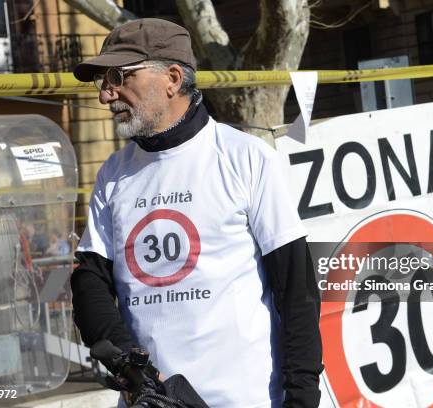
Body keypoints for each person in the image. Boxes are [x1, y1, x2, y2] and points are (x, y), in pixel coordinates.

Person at [71, 18, 322, 407]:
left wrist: (302, 397)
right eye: (102, 81)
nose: (106, 95)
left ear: (172, 78)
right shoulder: (113, 173)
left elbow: (297, 291)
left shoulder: (246, 158)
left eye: (118, 76)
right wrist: (129, 367)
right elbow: (91, 283)